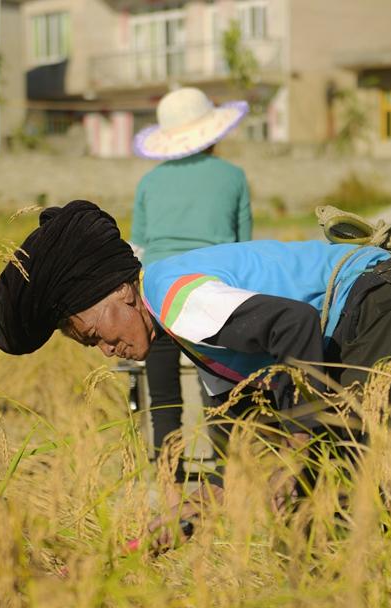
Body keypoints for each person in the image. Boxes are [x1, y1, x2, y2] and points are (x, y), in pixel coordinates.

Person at [0, 200, 391, 549]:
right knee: (309, 510)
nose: (105, 349)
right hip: (364, 322)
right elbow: (243, 447)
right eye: (92, 346)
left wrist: (294, 453)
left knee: (344, 485)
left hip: (382, 306)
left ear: (121, 291)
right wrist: (192, 513)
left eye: (96, 333)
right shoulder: (187, 337)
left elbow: (294, 324)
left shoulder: (179, 301)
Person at [130, 87, 253, 482]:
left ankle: (170, 480)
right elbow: (244, 247)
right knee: (218, 390)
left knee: (163, 395)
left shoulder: (149, 183)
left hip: (159, 290)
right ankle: (224, 478)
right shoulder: (233, 177)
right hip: (212, 290)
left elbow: (141, 245)